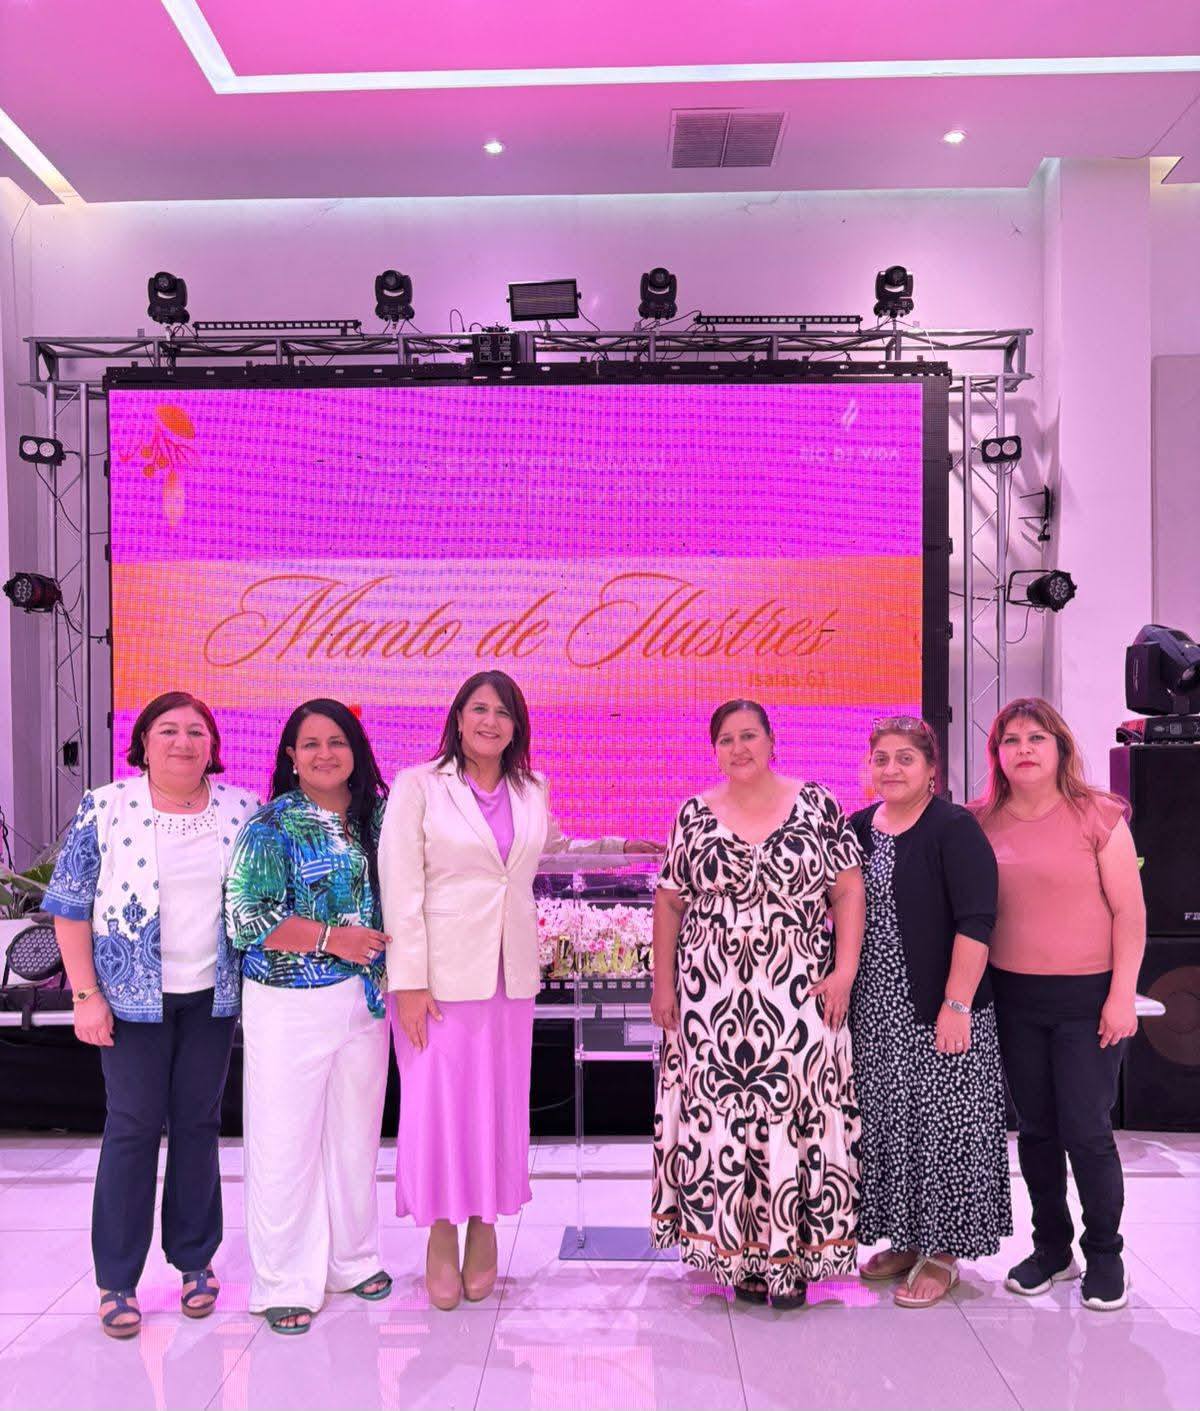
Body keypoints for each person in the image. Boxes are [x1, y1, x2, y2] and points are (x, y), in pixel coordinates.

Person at [379, 670, 657, 1310]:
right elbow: (400, 885)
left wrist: (619, 848)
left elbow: (550, 851)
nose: (490, 722)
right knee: (437, 1109)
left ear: (516, 727)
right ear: (458, 717)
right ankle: (440, 1233)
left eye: (503, 713)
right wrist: (410, 982)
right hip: (437, 981)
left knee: (496, 1107)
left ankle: (485, 1225)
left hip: (509, 979)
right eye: (479, 709)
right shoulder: (419, 785)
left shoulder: (531, 788)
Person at [42, 691, 256, 1339]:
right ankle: (116, 1278)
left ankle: (195, 1260)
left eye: (196, 731)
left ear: (212, 746)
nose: (183, 742)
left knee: (198, 1123)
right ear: (143, 743)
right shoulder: (106, 806)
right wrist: (85, 995)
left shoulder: (241, 808)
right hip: (130, 999)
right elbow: (69, 905)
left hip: (212, 997)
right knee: (132, 1126)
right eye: (168, 730)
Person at [649, 699, 865, 1309]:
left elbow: (848, 891)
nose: (738, 748)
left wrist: (844, 971)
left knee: (797, 1114)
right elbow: (669, 901)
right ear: (714, 750)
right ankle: (739, 1255)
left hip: (799, 991)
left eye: (749, 736)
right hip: (710, 998)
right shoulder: (693, 814)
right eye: (726, 739)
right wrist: (663, 985)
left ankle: (792, 1258)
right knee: (722, 1122)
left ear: (772, 741)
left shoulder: (817, 804)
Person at [225, 699, 393, 1335]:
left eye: (337, 741)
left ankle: (353, 1260)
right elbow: (246, 917)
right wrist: (331, 939)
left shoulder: (377, 817)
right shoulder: (272, 826)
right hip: (289, 1001)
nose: (326, 754)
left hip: (367, 1001)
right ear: (291, 756)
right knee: (285, 1140)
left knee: (355, 1136)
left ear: (356, 751)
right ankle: (284, 1280)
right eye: (311, 743)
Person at [976, 697, 1146, 1312]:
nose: (1023, 749)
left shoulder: (1098, 815)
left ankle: (1105, 1253)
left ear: (1060, 747)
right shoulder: (980, 821)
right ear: (997, 754)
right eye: (1011, 740)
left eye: (1036, 738)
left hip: (1088, 1000)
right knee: (1036, 1132)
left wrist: (1121, 996)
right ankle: (1052, 1248)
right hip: (1014, 998)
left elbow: (1130, 913)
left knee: (1086, 1130)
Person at [849, 716, 1011, 1307]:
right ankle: (905, 1238)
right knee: (892, 1124)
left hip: (943, 1005)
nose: (891, 769)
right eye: (881, 758)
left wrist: (956, 1003)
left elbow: (977, 920)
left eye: (905, 758)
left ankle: (943, 1252)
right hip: (876, 1010)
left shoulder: (954, 828)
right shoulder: (857, 829)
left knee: (946, 1127)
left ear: (931, 769)